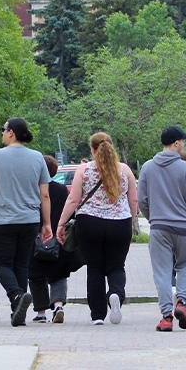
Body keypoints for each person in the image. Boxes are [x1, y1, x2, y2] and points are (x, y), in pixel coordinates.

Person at [0, 117, 52, 327]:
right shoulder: (37, 157)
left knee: (1, 264)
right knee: (21, 264)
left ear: (11, 132)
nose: (1, 133)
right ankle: (16, 311)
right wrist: (47, 223)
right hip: (30, 220)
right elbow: (44, 195)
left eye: (3, 129)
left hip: (1, 220)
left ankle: (17, 296)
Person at [57, 133, 138, 325]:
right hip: (120, 223)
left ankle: (98, 315)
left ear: (92, 149)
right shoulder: (125, 170)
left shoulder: (84, 169)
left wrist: (61, 223)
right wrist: (132, 220)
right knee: (117, 266)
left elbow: (74, 199)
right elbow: (134, 199)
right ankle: (116, 293)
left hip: (89, 223)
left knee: (95, 268)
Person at [138, 126, 186, 332]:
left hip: (158, 227)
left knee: (162, 272)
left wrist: (153, 218)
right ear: (175, 143)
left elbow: (142, 200)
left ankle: (166, 317)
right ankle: (182, 302)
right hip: (183, 226)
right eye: (182, 141)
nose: (184, 144)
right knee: (185, 265)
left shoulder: (147, 168)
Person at [30, 155, 84, 324]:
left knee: (36, 274)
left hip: (37, 237)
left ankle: (41, 312)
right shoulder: (61, 189)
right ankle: (58, 305)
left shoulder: (33, 189)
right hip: (58, 238)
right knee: (58, 274)